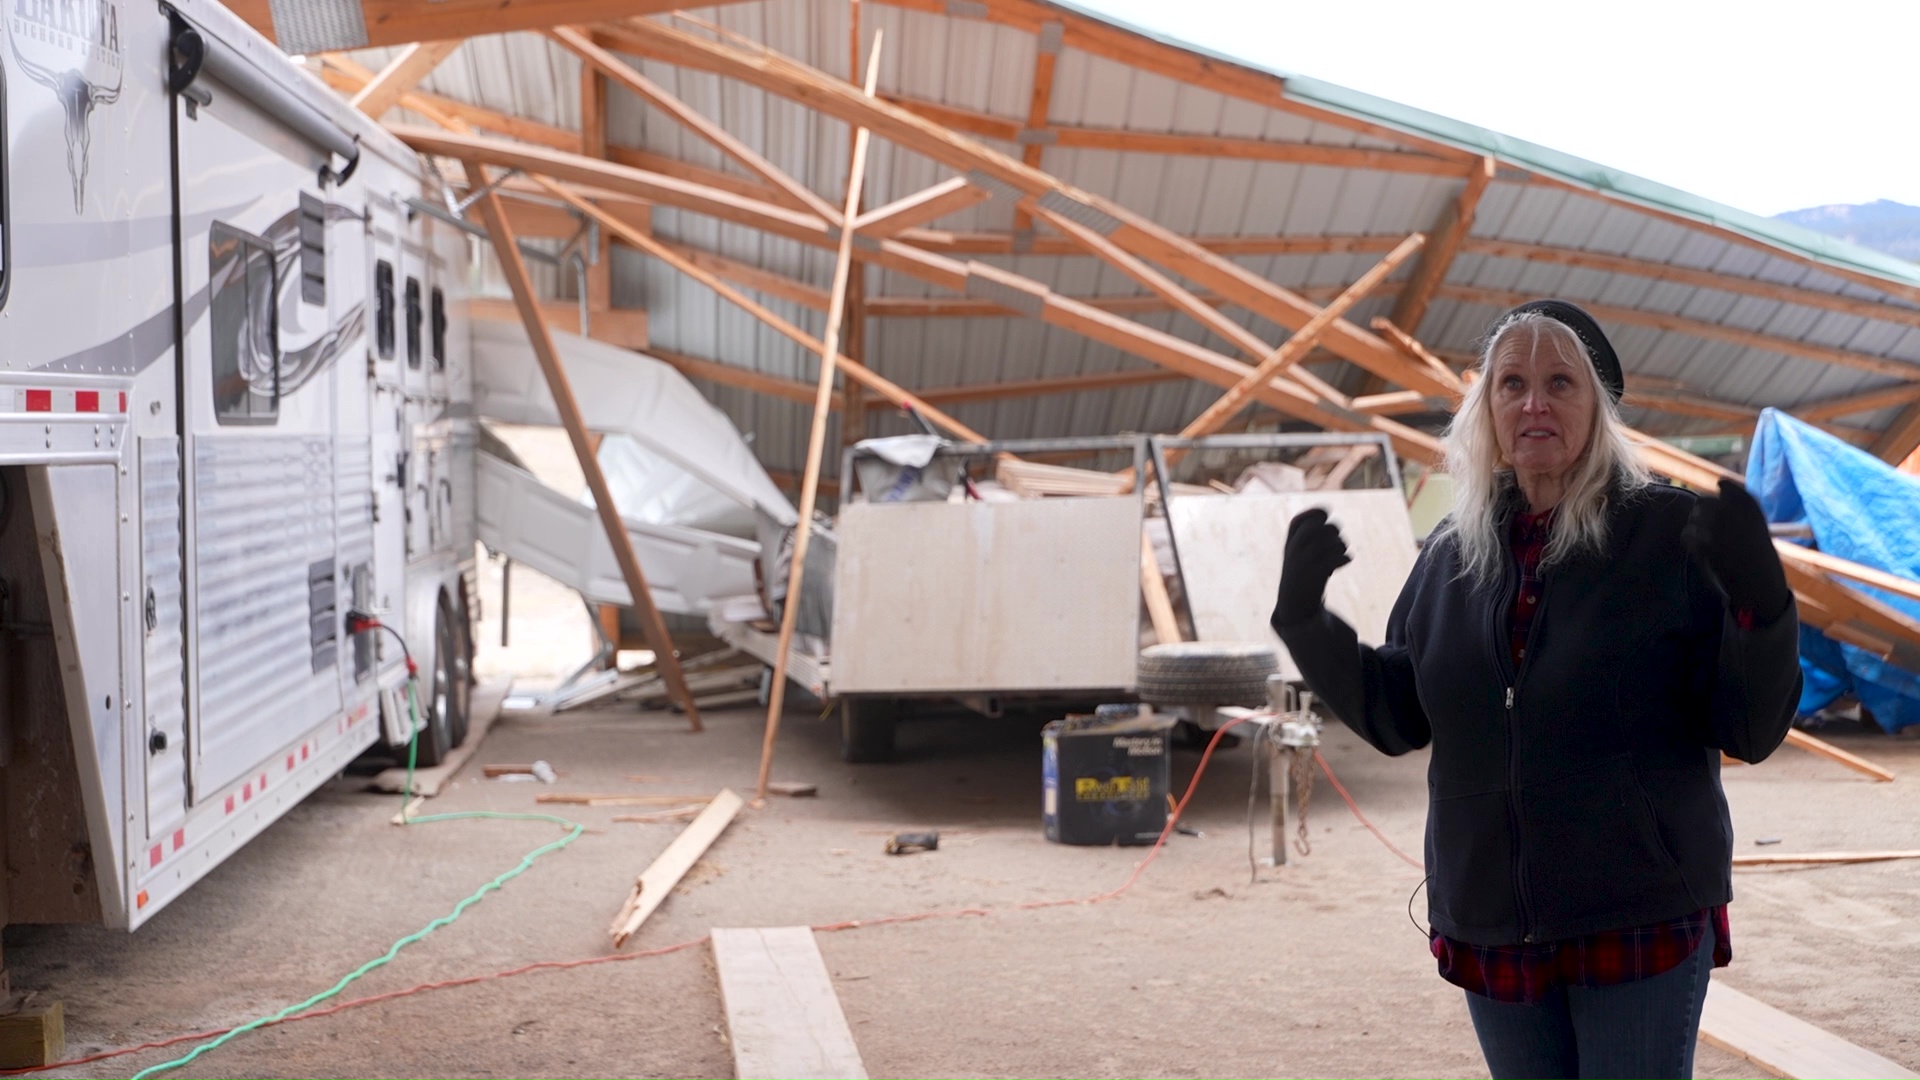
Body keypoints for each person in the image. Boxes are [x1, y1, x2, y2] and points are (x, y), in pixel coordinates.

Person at [1270, 300, 1801, 1080]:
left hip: (1635, 909)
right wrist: (1305, 622)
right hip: (1492, 917)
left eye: (1560, 383)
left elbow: (1749, 728)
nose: (1534, 404)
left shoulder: (1669, 533)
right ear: (1486, 409)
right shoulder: (1452, 553)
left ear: (1599, 408)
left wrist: (1764, 608)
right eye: (1512, 384)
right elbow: (1396, 712)